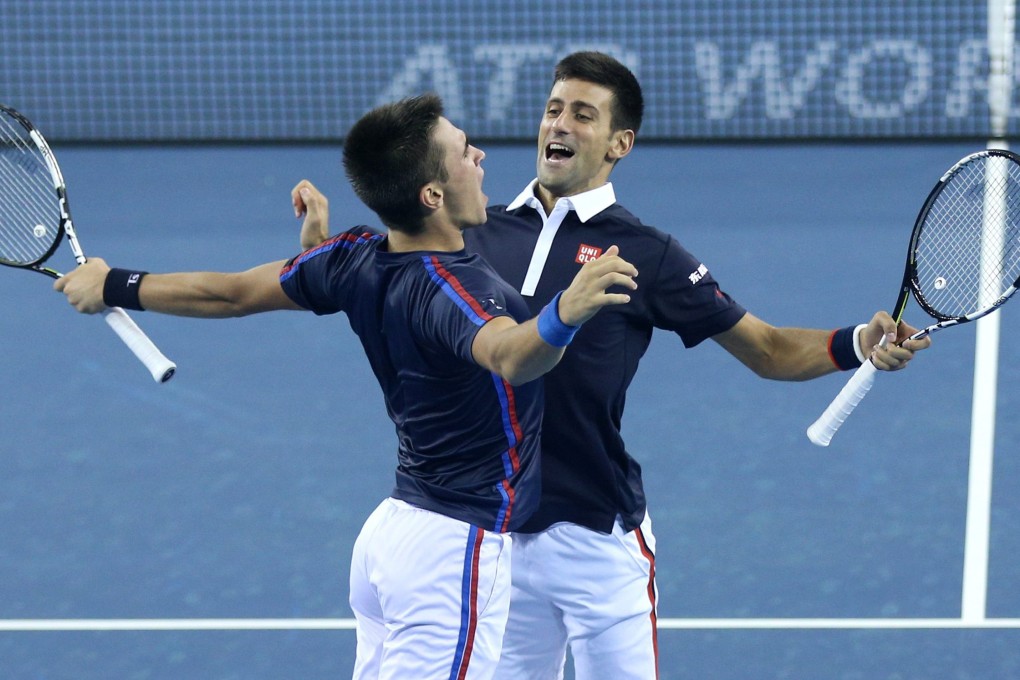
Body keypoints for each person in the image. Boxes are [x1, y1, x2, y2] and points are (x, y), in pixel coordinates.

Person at [299, 54, 932, 679]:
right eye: (553, 110)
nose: (559, 126)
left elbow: (764, 348)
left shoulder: (647, 253)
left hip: (597, 539)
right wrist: (322, 253)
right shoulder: (467, 231)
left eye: (582, 114)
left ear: (619, 143)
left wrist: (856, 342)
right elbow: (388, 275)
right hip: (496, 540)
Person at [54, 93, 639, 680]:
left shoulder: (350, 256)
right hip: (451, 552)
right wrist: (567, 309)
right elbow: (511, 356)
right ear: (431, 196)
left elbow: (230, 292)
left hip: (393, 540)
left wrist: (115, 285)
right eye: (464, 151)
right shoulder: (452, 290)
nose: (480, 155)